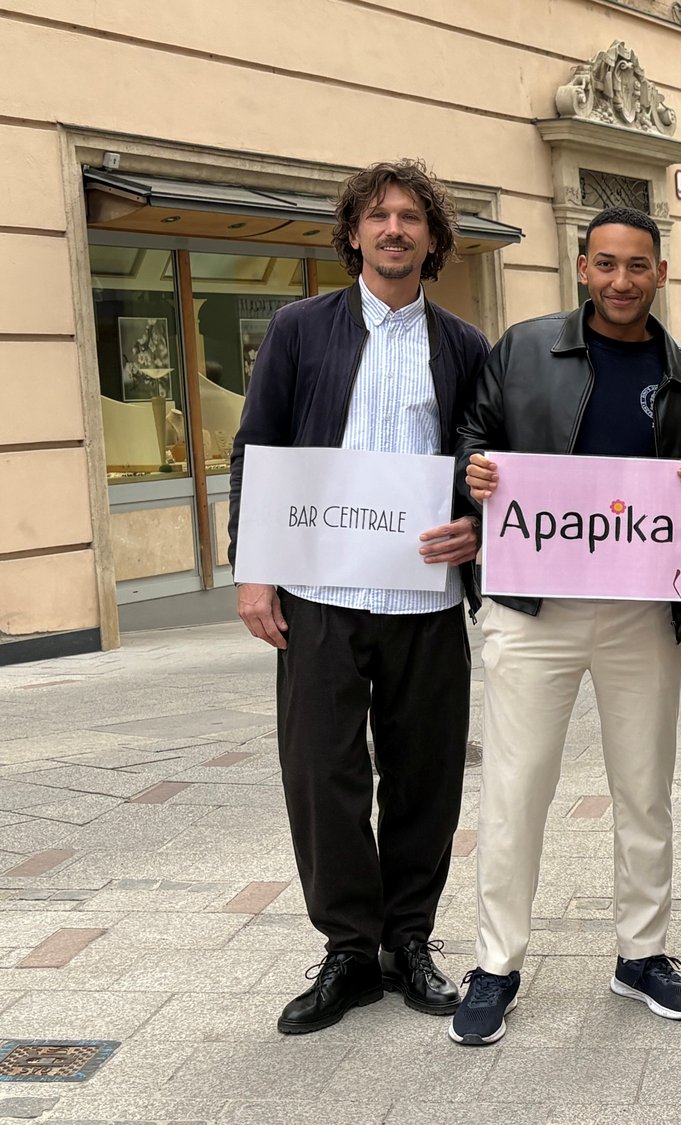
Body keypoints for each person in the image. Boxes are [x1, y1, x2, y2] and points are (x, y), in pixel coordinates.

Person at [451, 205, 681, 1046]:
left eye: (637, 265)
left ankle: (641, 954)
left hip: (640, 607)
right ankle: (496, 963)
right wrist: (473, 473)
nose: (621, 280)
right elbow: (473, 436)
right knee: (516, 787)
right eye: (605, 264)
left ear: (659, 272)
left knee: (644, 788)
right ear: (582, 268)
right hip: (530, 605)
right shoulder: (524, 349)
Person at [227, 159, 489, 1034]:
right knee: (321, 771)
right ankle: (348, 948)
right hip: (317, 591)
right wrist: (253, 568)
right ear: (353, 235)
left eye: (411, 216)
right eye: (378, 216)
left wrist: (476, 530)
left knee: (424, 774)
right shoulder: (302, 330)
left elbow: (487, 472)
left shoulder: (463, 346)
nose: (394, 229)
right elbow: (256, 447)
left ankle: (408, 938)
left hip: (422, 597)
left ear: (432, 237)